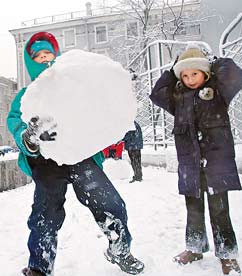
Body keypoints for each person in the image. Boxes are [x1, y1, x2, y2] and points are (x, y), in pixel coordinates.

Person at [7, 32, 144, 276]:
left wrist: (121, 87)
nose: (44, 59)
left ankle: (120, 251)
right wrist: (29, 137)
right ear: (30, 62)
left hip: (81, 158)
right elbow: (16, 121)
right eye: (38, 56)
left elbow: (99, 105)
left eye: (48, 53)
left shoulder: (75, 86)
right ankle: (39, 266)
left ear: (56, 55)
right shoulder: (26, 96)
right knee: (46, 214)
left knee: (110, 202)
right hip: (47, 162)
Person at [150, 44, 242, 275]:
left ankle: (227, 254)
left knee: (220, 210)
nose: (191, 79)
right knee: (193, 209)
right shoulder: (178, 98)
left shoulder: (218, 92)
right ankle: (194, 248)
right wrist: (173, 69)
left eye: (195, 73)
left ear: (206, 73)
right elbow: (157, 92)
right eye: (185, 75)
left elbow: (235, 75)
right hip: (190, 165)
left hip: (216, 164)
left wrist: (213, 62)